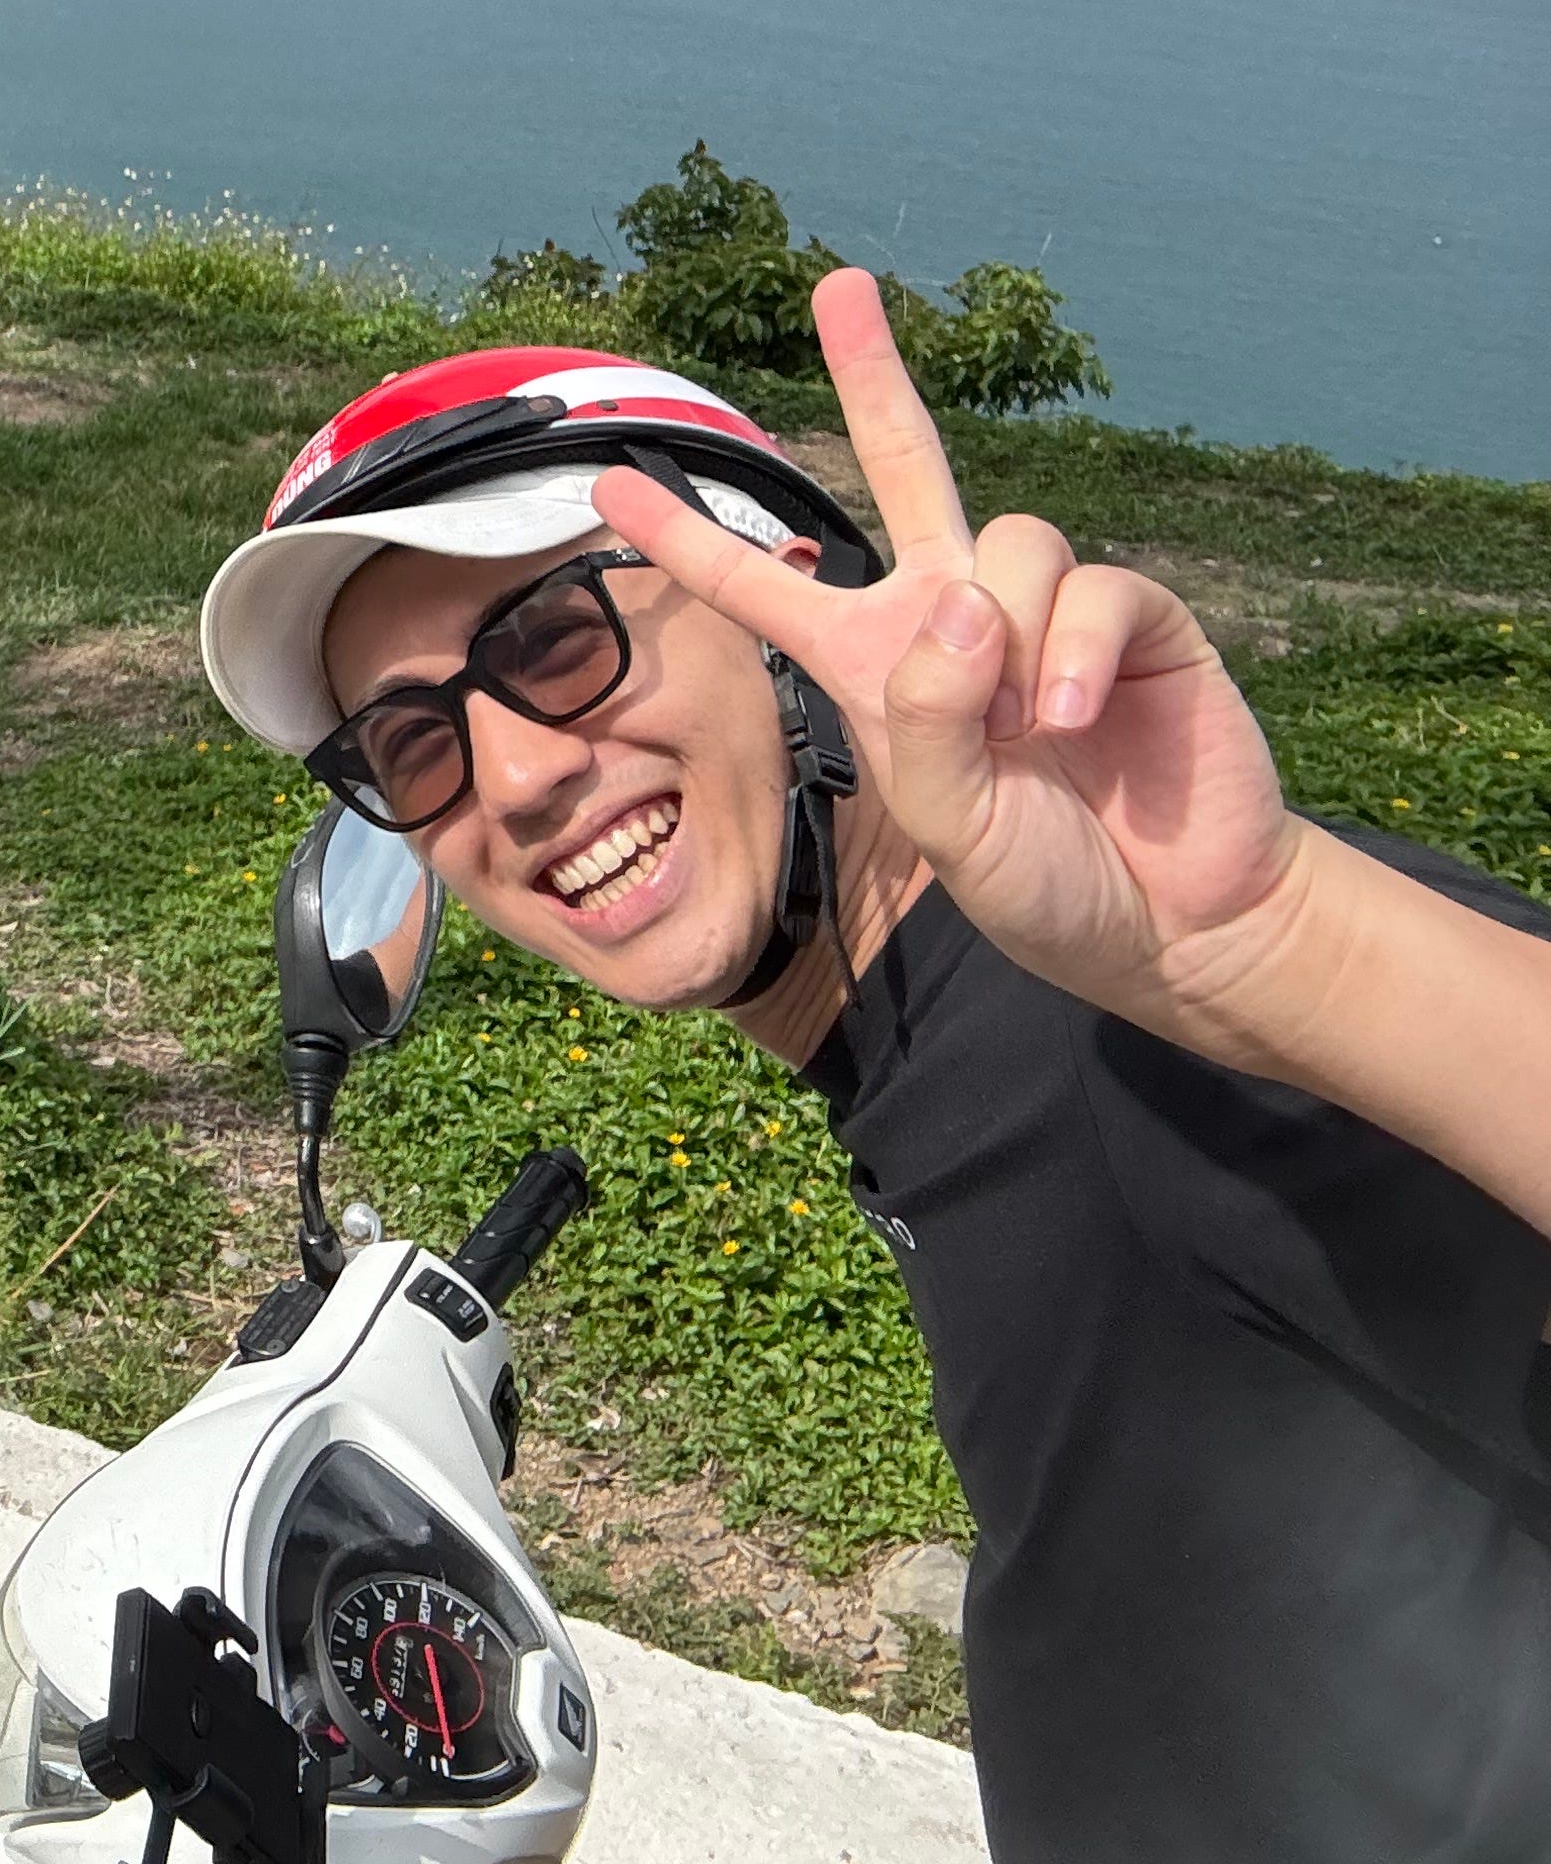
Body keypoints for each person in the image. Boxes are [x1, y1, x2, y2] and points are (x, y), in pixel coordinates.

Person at [198, 276, 1551, 1861]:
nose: (515, 776)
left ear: (789, 607)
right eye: (415, 743)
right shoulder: (941, 1061)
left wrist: (1273, 940)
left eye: (557, 639)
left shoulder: (1135, 1021)